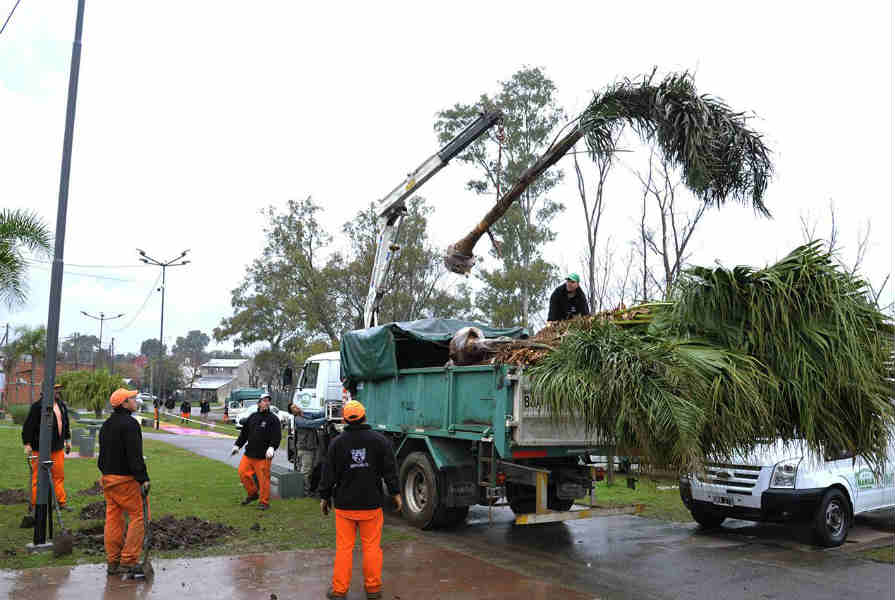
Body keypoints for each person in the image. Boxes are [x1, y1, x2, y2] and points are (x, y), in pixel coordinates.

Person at [319, 400, 401, 600]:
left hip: (345, 506)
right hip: (371, 505)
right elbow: (390, 471)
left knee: (344, 549)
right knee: (372, 547)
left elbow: (328, 473)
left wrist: (324, 497)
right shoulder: (380, 441)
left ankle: (339, 591)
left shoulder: (337, 443)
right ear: (364, 416)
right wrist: (396, 493)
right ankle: (373, 589)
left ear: (345, 419)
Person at [98, 388, 151, 577]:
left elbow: (102, 456)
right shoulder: (130, 424)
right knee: (139, 517)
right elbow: (134, 455)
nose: (135, 400)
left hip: (108, 478)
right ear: (124, 403)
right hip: (126, 480)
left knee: (113, 519)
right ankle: (128, 561)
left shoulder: (107, 424)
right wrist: (143, 478)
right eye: (132, 398)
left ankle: (113, 561)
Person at [22, 384, 72, 513]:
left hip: (58, 448)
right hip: (40, 448)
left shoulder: (61, 405)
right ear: (45, 391)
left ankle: (60, 502)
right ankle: (34, 504)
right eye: (54, 389)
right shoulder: (37, 407)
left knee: (58, 476)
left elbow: (65, 424)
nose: (57, 392)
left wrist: (68, 440)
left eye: (58, 389)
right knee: (37, 477)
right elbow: (29, 426)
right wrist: (27, 444)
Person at [230, 392, 280, 510]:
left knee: (263, 480)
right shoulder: (253, 417)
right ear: (259, 403)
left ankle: (264, 502)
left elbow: (276, 436)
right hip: (249, 453)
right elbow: (244, 434)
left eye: (268, 400)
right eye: (264, 400)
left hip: (264, 455)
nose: (266, 402)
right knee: (242, 473)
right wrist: (237, 445)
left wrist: (272, 447)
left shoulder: (273, 419)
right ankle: (253, 494)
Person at [288, 404, 326, 496]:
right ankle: (305, 492)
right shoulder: (298, 419)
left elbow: (317, 415)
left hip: (311, 446)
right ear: (292, 412)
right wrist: (325, 419)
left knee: (310, 469)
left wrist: (329, 411)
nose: (296, 407)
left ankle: (308, 490)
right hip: (305, 448)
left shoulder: (305, 414)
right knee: (306, 471)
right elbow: (310, 424)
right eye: (293, 408)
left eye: (296, 406)